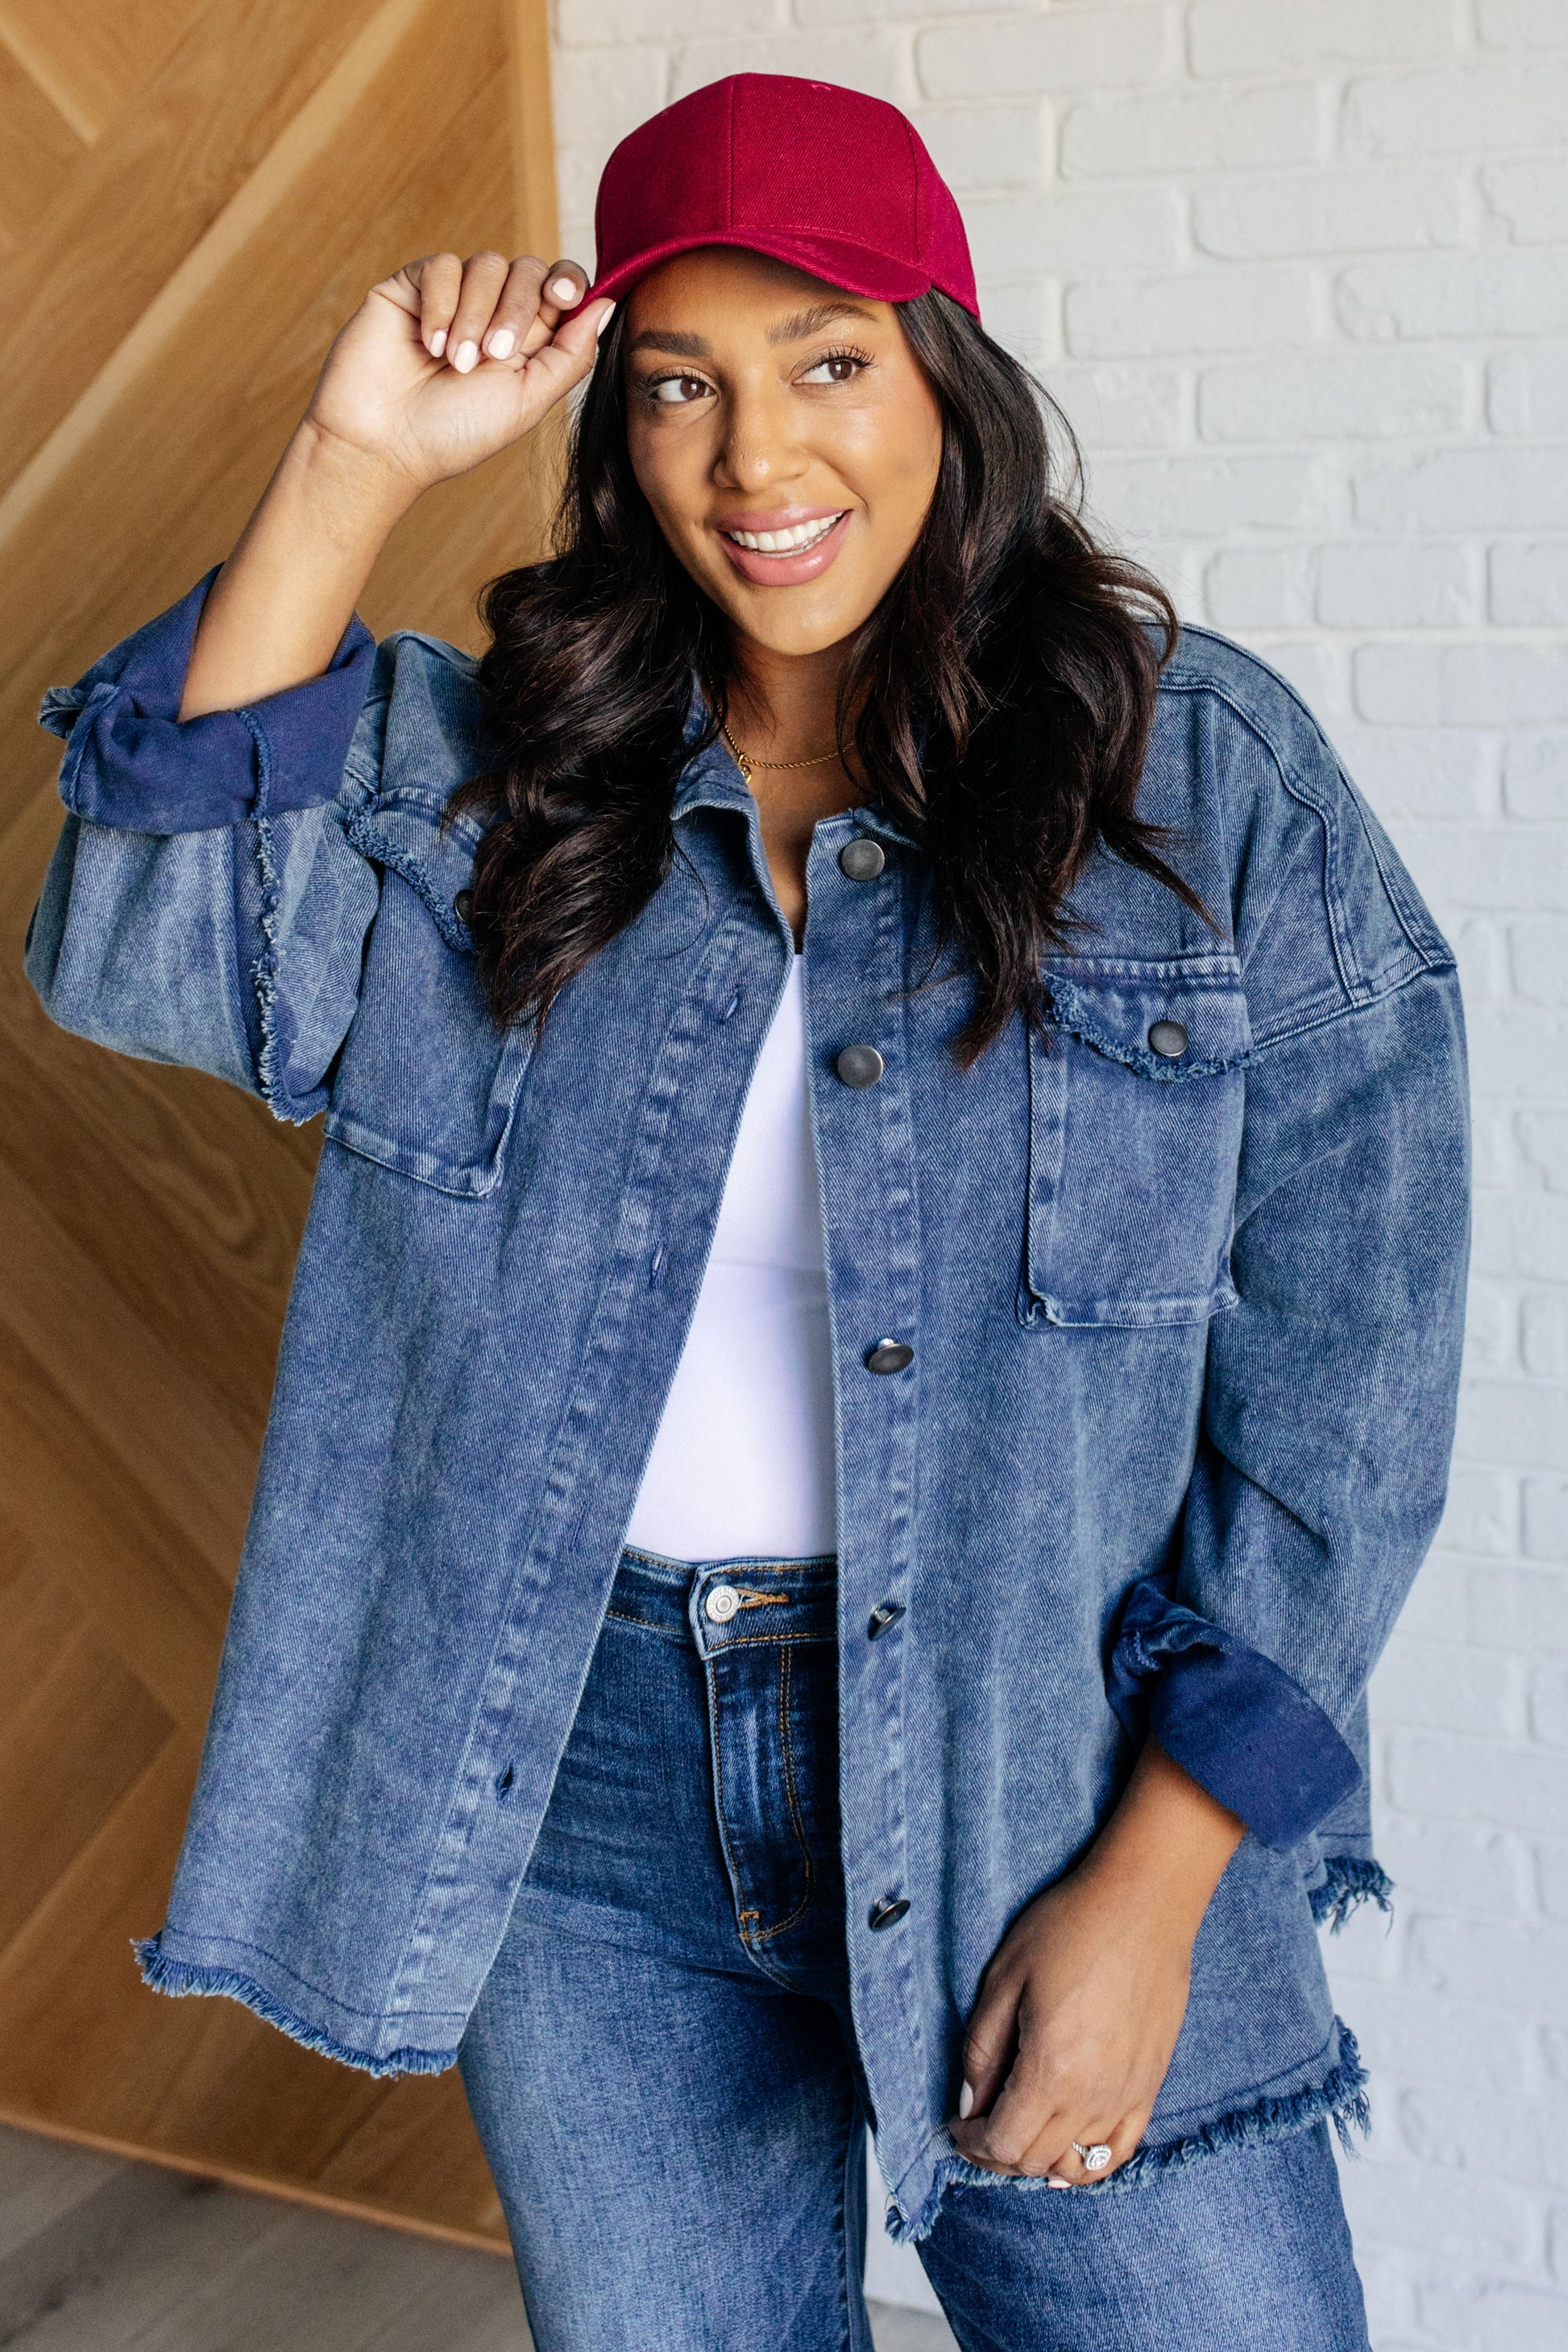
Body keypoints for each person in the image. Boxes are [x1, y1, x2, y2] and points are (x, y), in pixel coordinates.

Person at [27, 73, 1466, 2352]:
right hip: (574, 1778)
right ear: (615, 430)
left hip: (1037, 1757)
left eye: (826, 362)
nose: (755, 457)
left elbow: (1348, 1388)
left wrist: (1162, 1877)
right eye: (678, 384)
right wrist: (356, 453)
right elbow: (146, 951)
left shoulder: (1200, 782)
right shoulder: (496, 776)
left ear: (946, 380)